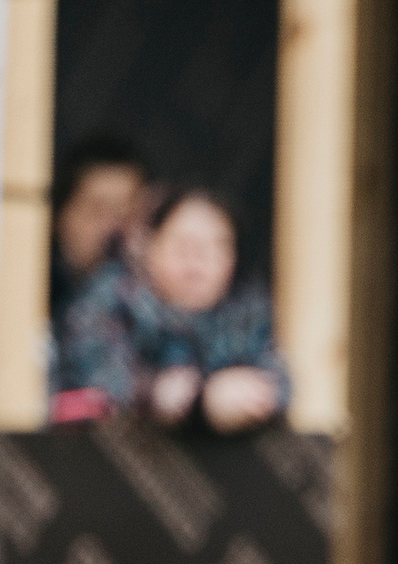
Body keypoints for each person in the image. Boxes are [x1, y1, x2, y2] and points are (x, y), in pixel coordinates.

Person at [50, 187, 289, 431]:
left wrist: (238, 396)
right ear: (147, 247)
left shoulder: (249, 311)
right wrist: (159, 393)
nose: (197, 260)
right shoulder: (107, 301)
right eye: (183, 244)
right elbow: (101, 385)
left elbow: (282, 384)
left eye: (216, 246)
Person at [48, 133, 149, 320]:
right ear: (58, 218)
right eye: (98, 211)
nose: (114, 228)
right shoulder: (34, 295)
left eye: (127, 214)